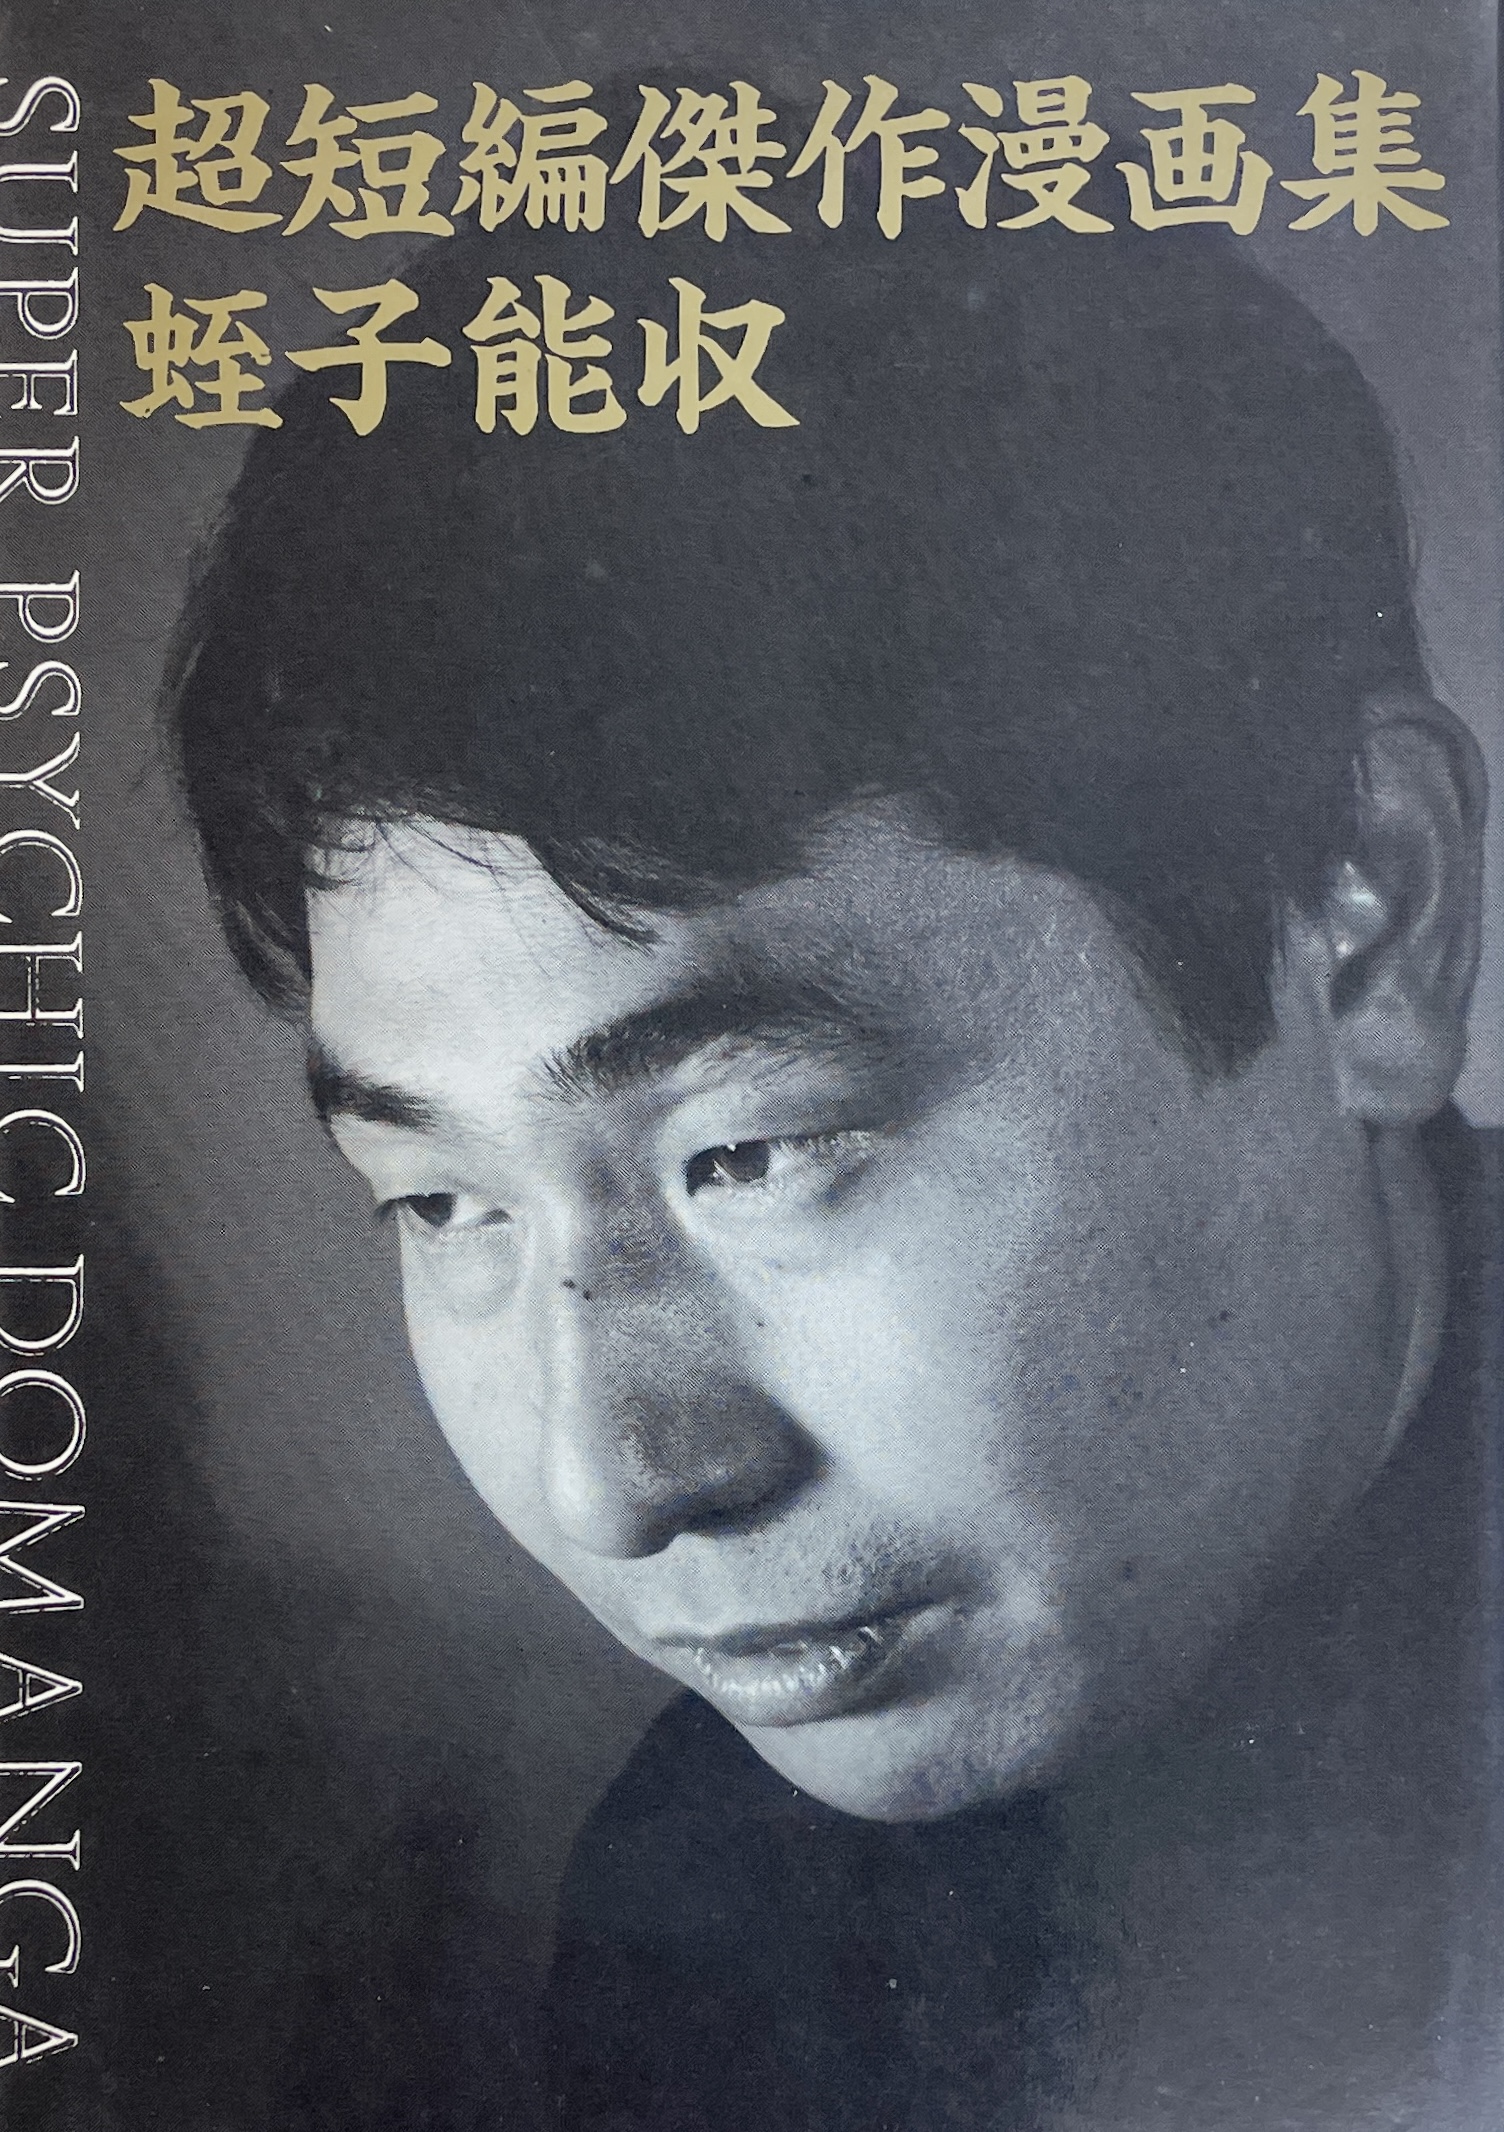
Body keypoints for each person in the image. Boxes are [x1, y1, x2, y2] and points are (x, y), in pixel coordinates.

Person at [165, 211, 1498, 2128]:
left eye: (751, 1151)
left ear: (1369, 919)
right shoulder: (701, 1891)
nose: (613, 1481)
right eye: (443, 1203)